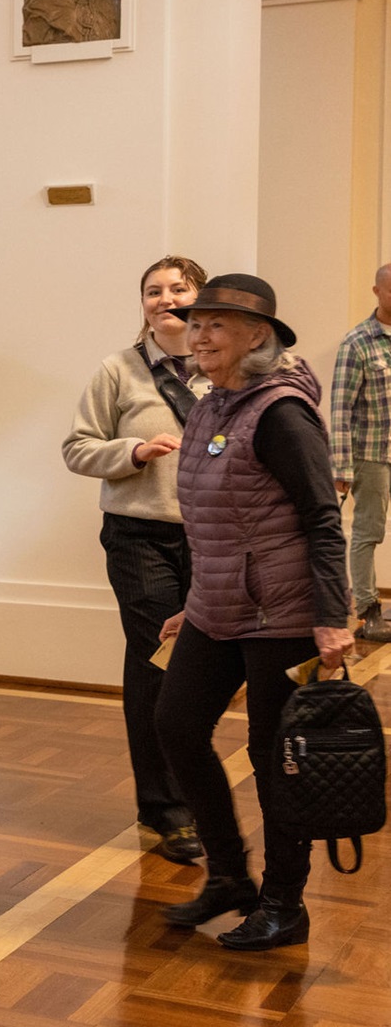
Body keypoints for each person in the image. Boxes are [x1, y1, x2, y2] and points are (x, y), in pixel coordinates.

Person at [153, 275, 352, 951]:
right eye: (195, 322)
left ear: (257, 335)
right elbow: (216, 520)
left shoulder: (281, 413)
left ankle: (283, 903)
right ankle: (230, 875)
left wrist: (331, 615)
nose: (198, 334)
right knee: (176, 724)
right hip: (217, 605)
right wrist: (192, 600)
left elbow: (324, 519)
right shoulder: (213, 403)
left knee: (274, 758)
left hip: (284, 614)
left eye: (215, 324)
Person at [62, 256, 208, 864]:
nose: (165, 299)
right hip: (138, 537)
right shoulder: (117, 370)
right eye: (154, 291)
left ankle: (186, 795)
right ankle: (166, 810)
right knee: (159, 661)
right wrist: (135, 451)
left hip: (211, 541)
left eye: (179, 289)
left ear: (201, 300)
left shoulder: (222, 368)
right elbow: (76, 447)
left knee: (198, 667)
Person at [330, 263, 391, 642]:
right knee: (369, 532)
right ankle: (368, 610)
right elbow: (339, 410)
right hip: (372, 455)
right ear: (377, 292)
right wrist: (342, 466)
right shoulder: (357, 343)